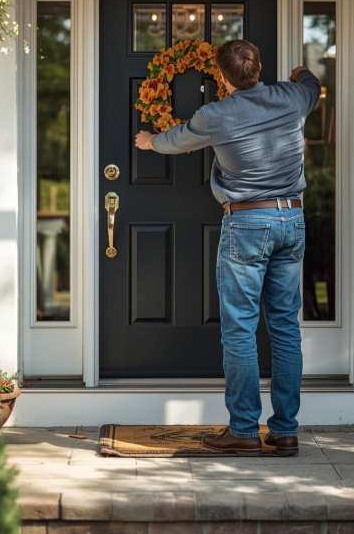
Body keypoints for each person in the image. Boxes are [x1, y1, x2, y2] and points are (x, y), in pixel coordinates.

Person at [135, 39, 320, 456]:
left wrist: (148, 141)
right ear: (258, 68)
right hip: (291, 219)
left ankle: (242, 430)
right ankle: (286, 431)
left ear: (221, 76)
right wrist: (299, 74)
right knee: (286, 327)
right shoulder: (293, 98)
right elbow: (313, 84)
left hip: (248, 223)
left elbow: (174, 141)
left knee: (240, 328)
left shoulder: (214, 115)